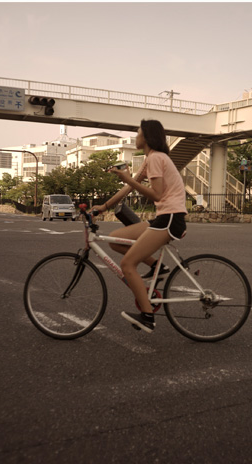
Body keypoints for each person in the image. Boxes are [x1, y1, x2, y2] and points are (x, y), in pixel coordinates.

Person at [92, 120, 187, 333]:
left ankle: (147, 317)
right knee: (116, 239)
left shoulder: (156, 158)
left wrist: (127, 178)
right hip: (164, 217)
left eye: (138, 133)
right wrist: (104, 207)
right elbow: (128, 188)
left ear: (147, 137)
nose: (135, 137)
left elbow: (157, 194)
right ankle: (157, 266)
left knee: (127, 265)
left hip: (170, 218)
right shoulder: (150, 159)